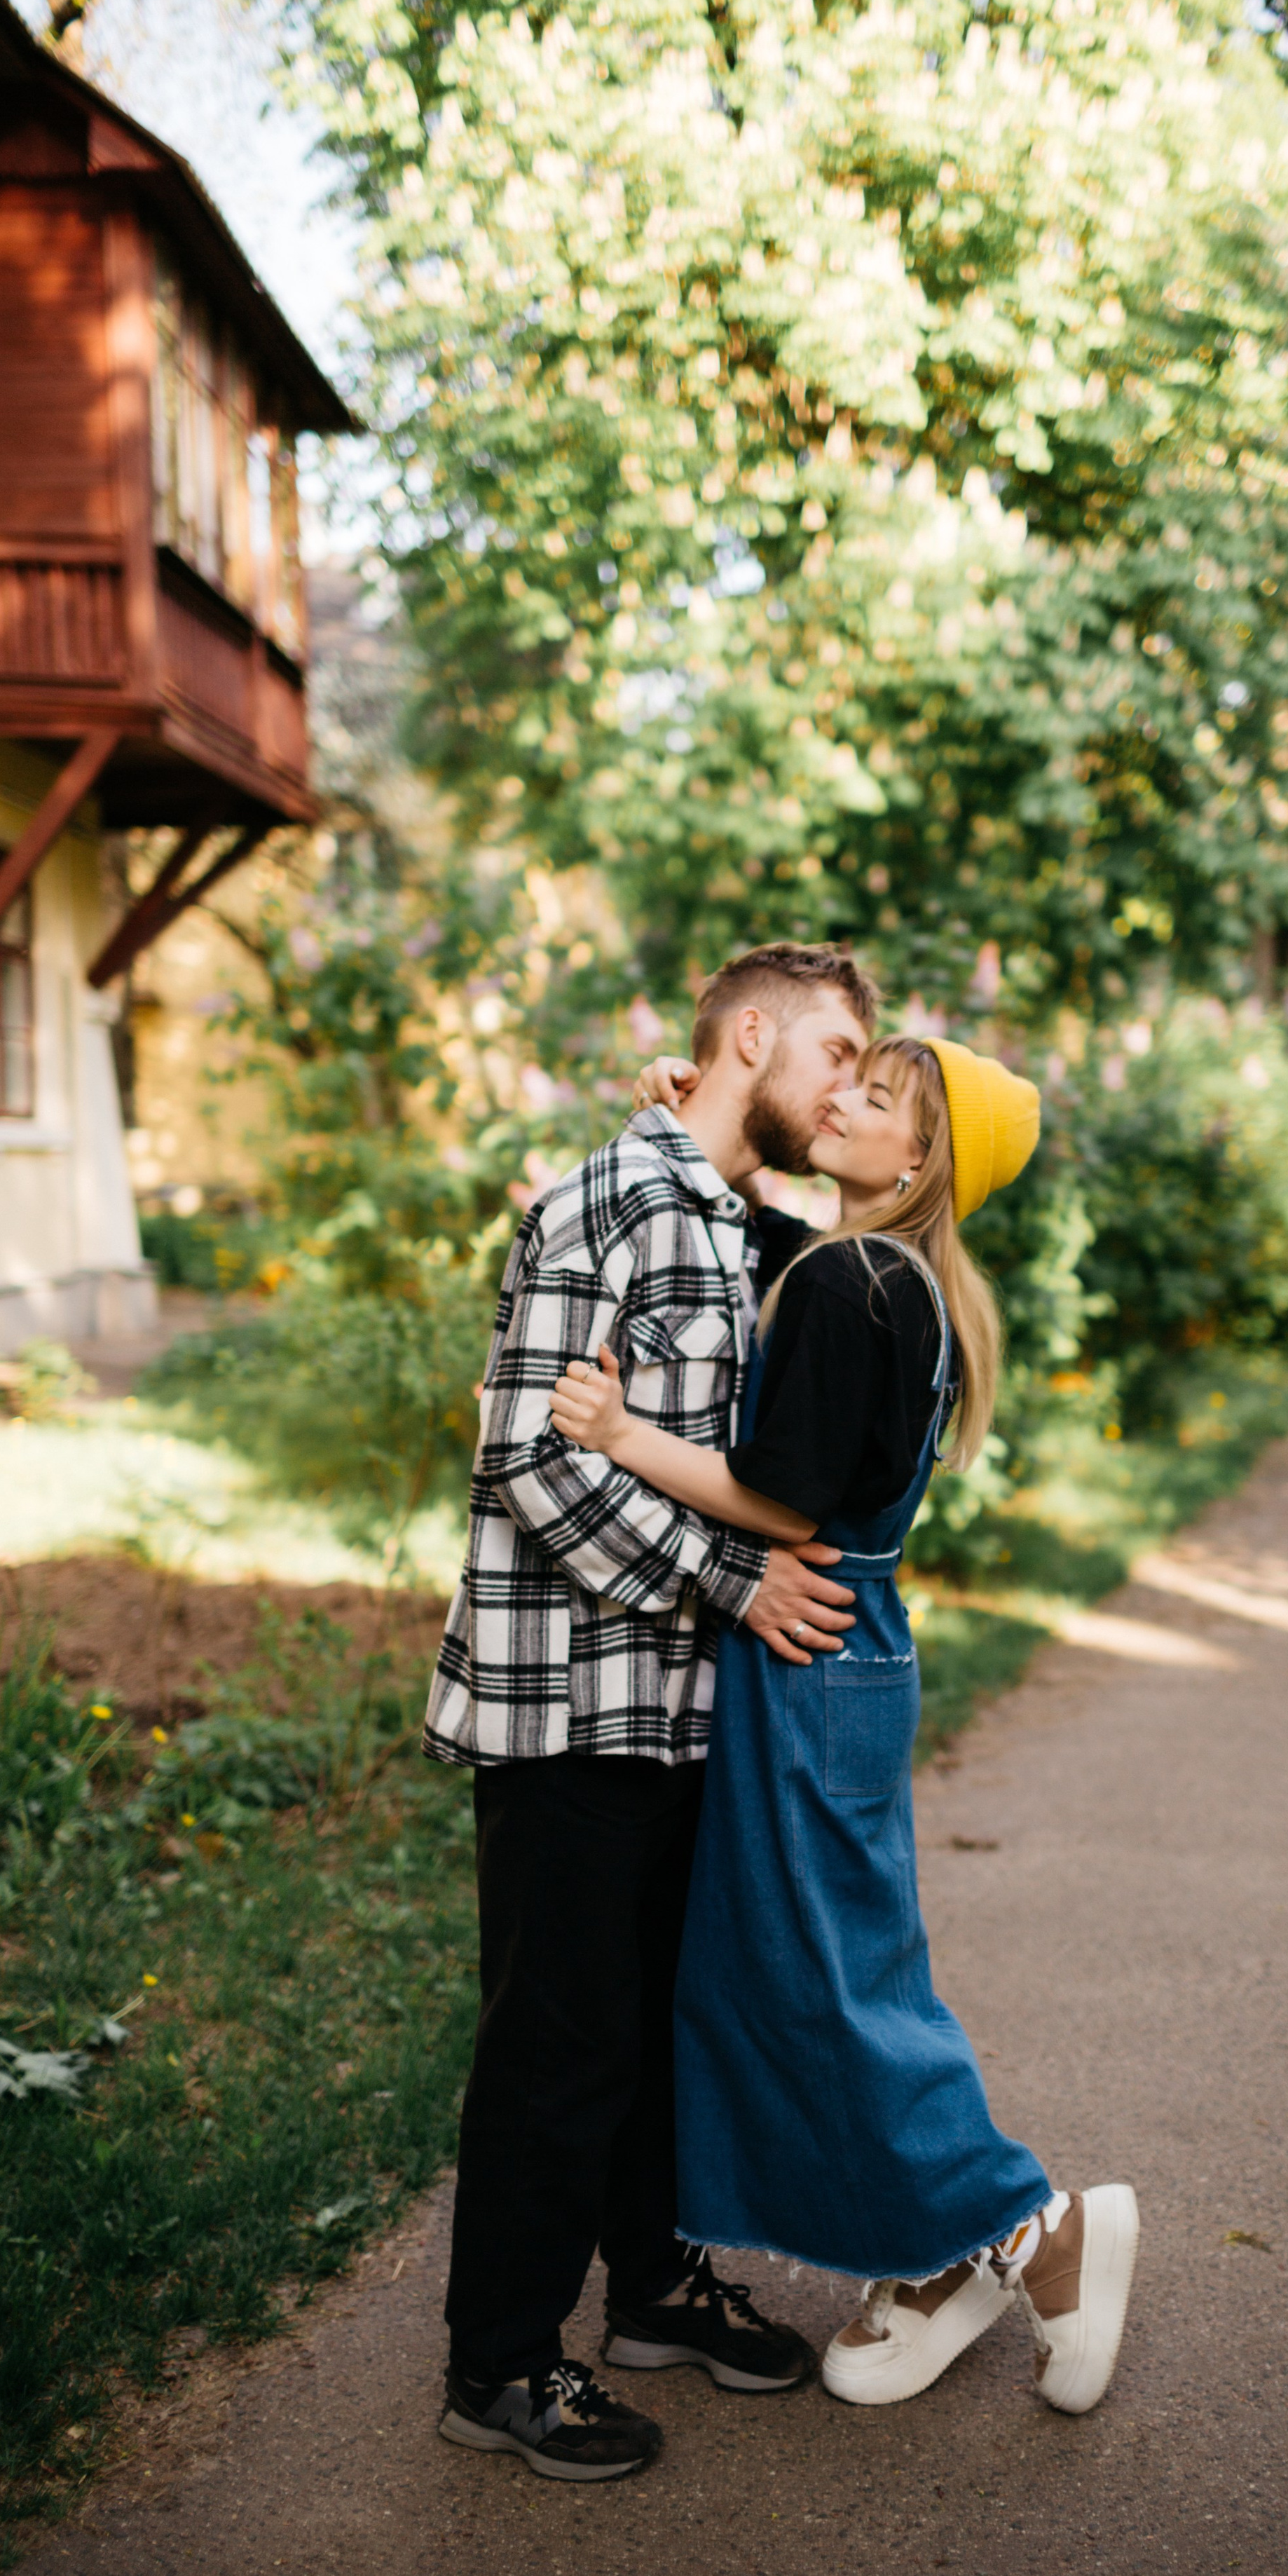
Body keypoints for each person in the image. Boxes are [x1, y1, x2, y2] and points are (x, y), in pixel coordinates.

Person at [550, 1033, 1140, 2415]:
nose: (842, 1102)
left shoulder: (849, 1283)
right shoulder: (893, 1277)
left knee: (820, 1973)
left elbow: (787, 1499)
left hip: (807, 1644)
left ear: (918, 1159)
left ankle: (1022, 2230)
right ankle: (930, 2252)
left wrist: (620, 1433)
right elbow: (766, 1241)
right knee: (825, 1959)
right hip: (854, 1646)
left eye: (875, 1099)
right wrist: (692, 1116)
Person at [423, 943, 882, 2482]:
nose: (846, 1089)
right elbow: (530, 1461)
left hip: (690, 1718)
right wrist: (732, 1581)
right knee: (557, 2045)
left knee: (656, 2032)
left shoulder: (749, 1227)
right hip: (568, 1706)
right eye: (830, 1053)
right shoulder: (596, 1206)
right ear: (748, 1035)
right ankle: (497, 2365)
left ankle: (653, 2293)